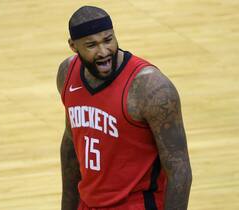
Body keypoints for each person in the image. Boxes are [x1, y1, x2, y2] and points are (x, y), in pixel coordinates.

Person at [56, 5, 192, 210]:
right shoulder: (67, 73)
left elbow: (179, 169)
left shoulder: (150, 88)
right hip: (88, 203)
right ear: (73, 46)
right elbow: (71, 142)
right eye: (91, 45)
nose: (103, 52)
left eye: (108, 40)